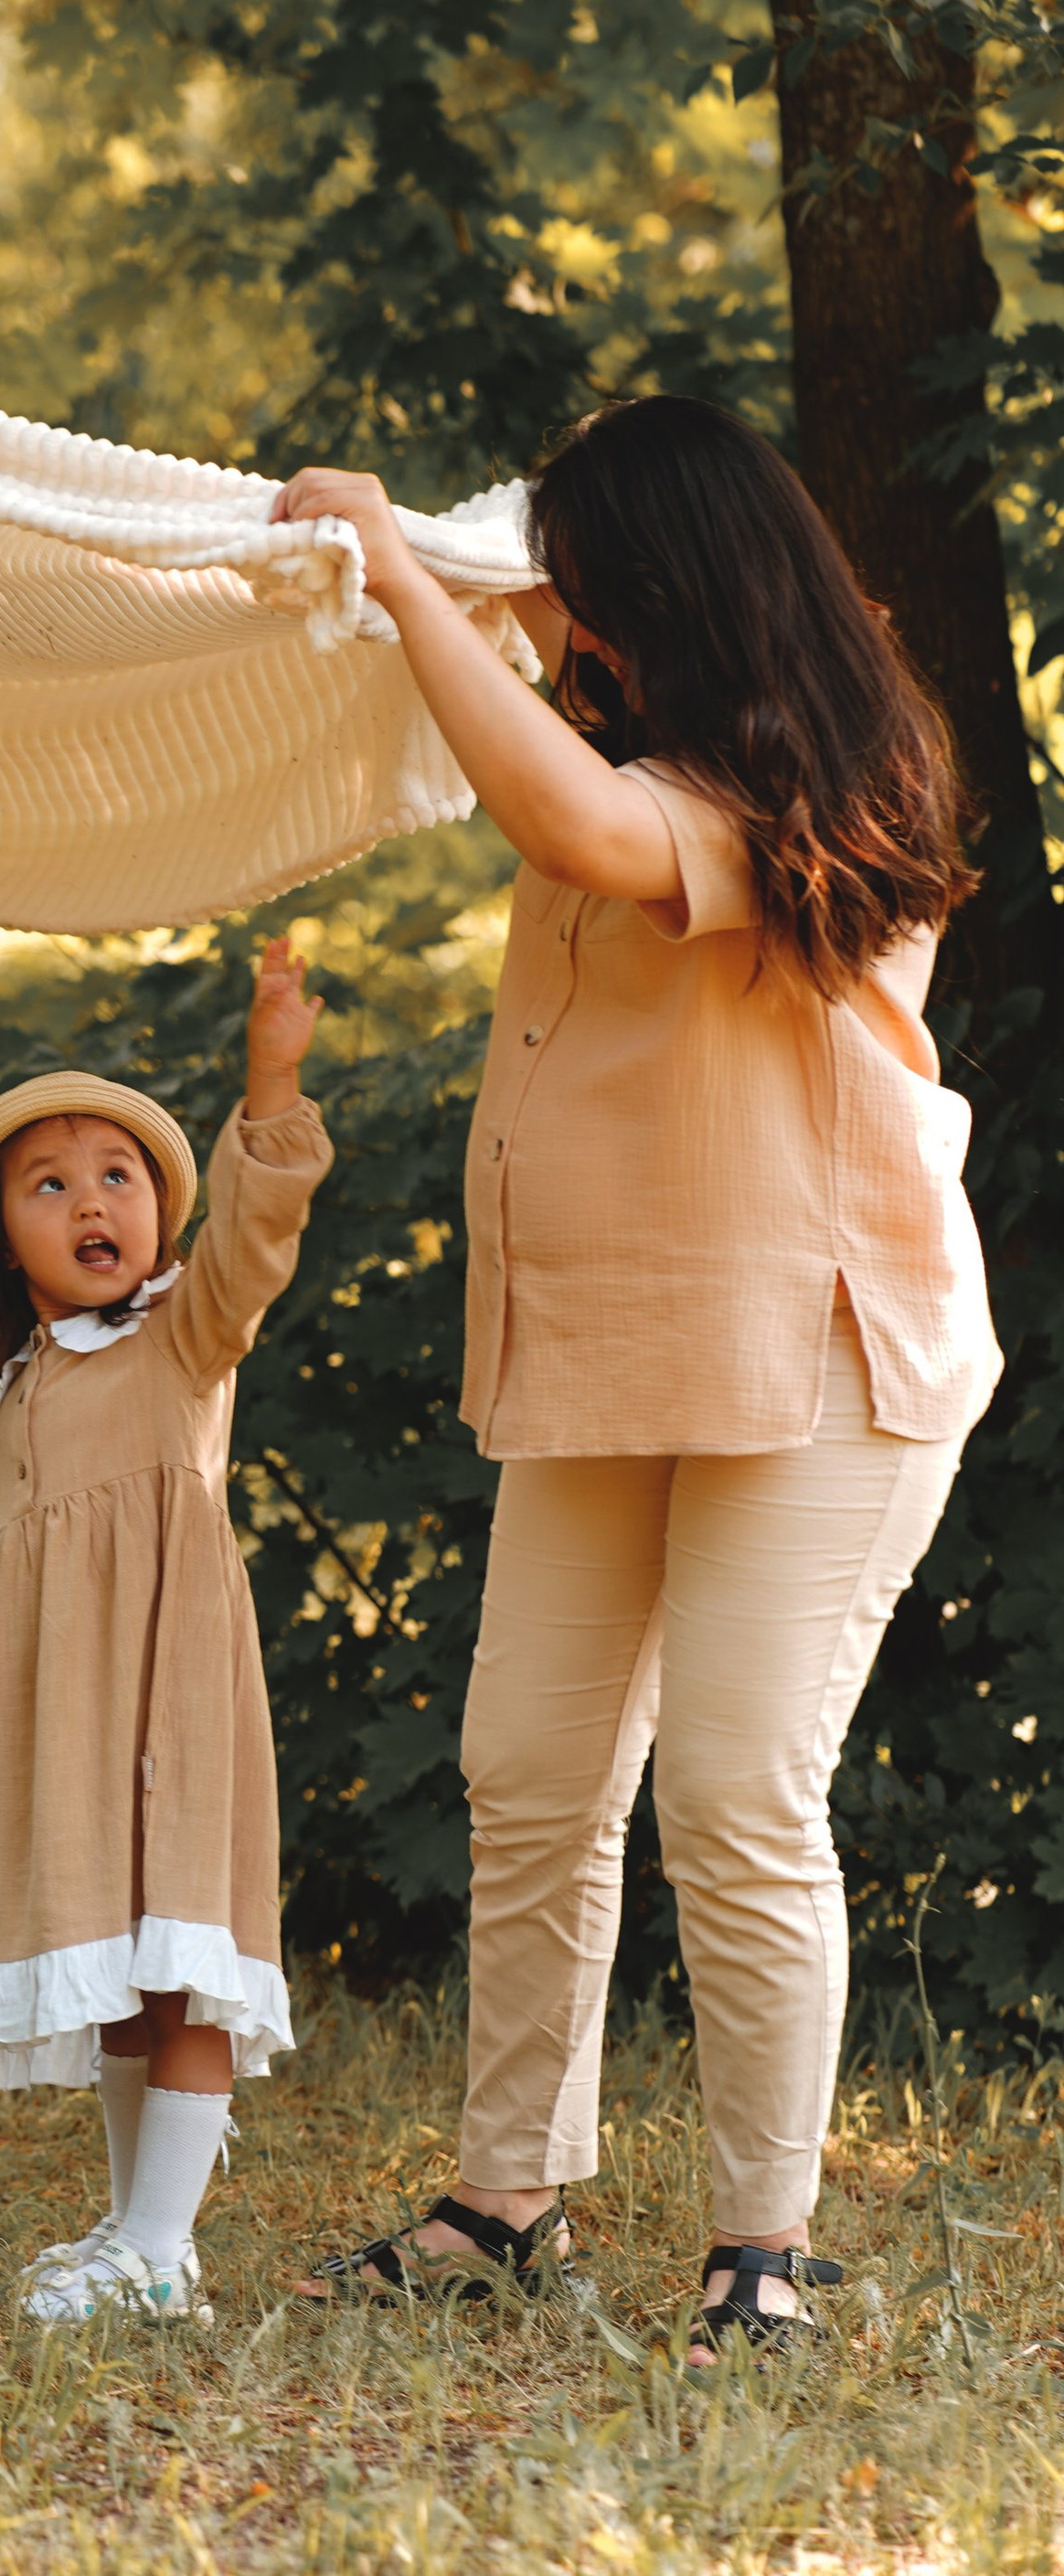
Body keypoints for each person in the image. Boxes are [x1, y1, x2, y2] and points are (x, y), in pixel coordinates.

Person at [280, 397, 1001, 2358]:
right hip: (617, 1342)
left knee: (736, 1792)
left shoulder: (823, 780)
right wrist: (471, 589)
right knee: (527, 1770)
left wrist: (399, 568)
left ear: (667, 591)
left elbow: (571, 828)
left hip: (820, 1351)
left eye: (589, 594)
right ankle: (504, 2200)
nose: (565, 629)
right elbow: (550, 750)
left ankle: (757, 2251)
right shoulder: (640, 736)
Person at [0, 942, 331, 2324]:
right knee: (114, 1974)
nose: (93, 1199)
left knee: (184, 1974)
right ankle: (137, 2237)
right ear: (4, 1240)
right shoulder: (25, 1381)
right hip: (77, 1723)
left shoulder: (180, 1338)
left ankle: (157, 2251)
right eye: (51, 1183)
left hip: (170, 1706)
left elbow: (256, 1239)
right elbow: (25, 1587)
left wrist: (271, 1081)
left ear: (157, 1213)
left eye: (119, 1176)